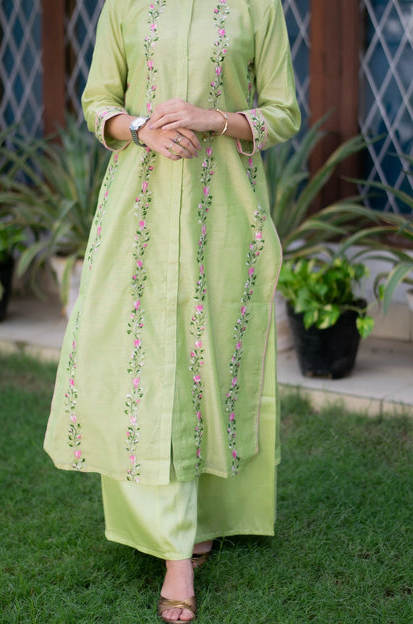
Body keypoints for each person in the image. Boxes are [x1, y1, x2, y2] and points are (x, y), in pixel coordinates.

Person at [44, 0, 300, 621]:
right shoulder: (124, 5)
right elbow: (97, 101)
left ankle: (205, 515)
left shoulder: (257, 6)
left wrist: (211, 117)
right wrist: (140, 130)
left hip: (227, 216)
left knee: (209, 364)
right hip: (139, 208)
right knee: (149, 369)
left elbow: (284, 113)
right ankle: (176, 554)